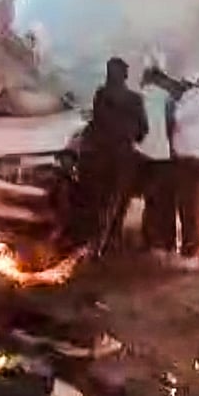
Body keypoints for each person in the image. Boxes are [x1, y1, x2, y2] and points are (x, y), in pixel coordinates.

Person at [75, 57, 148, 255]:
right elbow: (143, 130)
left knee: (98, 200)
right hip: (123, 156)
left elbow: (97, 123)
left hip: (100, 156)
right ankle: (111, 239)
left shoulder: (101, 94)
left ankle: (95, 241)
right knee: (118, 199)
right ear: (125, 75)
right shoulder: (135, 99)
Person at [169, 75, 199, 271]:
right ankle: (194, 249)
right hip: (193, 161)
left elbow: (179, 118)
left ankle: (190, 255)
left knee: (190, 208)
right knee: (192, 207)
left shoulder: (193, 97)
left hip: (191, 161)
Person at [137, 67, 177, 258]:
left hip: (140, 156)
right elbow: (173, 125)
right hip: (162, 155)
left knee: (149, 199)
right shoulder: (168, 99)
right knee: (163, 201)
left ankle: (148, 240)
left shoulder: (137, 97)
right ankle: (164, 244)